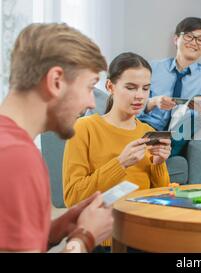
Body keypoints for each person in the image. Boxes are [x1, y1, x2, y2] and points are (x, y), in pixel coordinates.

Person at [0, 23, 113, 253]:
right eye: (90, 87)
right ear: (56, 81)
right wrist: (85, 237)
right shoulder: (17, 158)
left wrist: (51, 230)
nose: (92, 102)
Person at [63, 52, 171, 251]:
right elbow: (72, 197)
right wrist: (120, 163)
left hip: (143, 236)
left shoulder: (149, 133)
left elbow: (160, 197)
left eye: (145, 89)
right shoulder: (84, 128)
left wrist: (158, 164)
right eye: (130, 88)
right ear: (110, 87)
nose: (140, 95)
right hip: (104, 241)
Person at [137, 17, 201, 156]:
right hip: (146, 126)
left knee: (193, 120)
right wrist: (154, 102)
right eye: (189, 36)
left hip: (178, 134)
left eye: (200, 40)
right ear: (176, 39)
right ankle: (152, 153)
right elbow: (135, 102)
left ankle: (161, 152)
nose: (194, 42)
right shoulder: (153, 67)